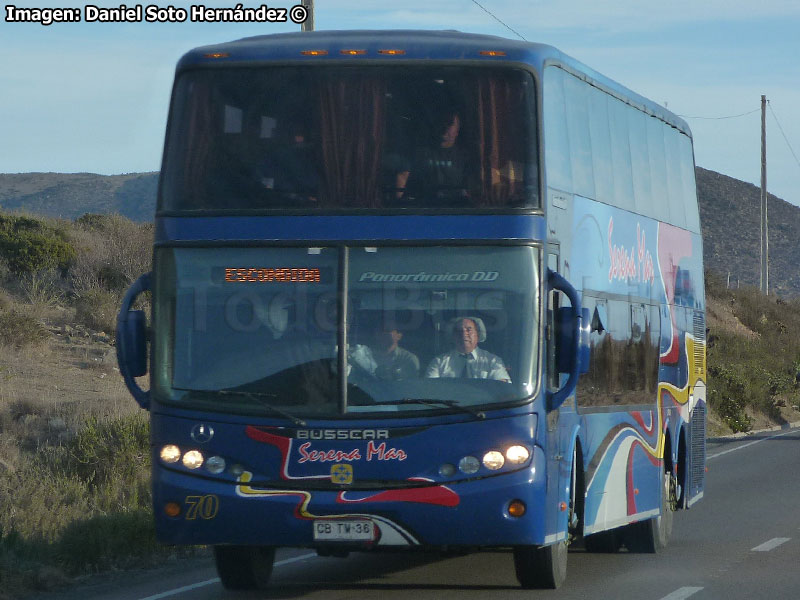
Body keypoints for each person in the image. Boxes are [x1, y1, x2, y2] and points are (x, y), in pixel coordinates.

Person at [395, 110, 471, 200]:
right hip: (425, 209)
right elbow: (403, 180)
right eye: (442, 122)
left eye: (450, 123)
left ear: (457, 131)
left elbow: (470, 192)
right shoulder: (420, 154)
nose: (445, 126)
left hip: (456, 209)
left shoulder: (465, 157)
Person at [425, 316, 510, 382]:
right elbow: (430, 390)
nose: (464, 334)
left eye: (469, 330)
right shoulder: (439, 363)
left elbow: (502, 389)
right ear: (453, 337)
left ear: (478, 335)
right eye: (459, 331)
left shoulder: (493, 362)